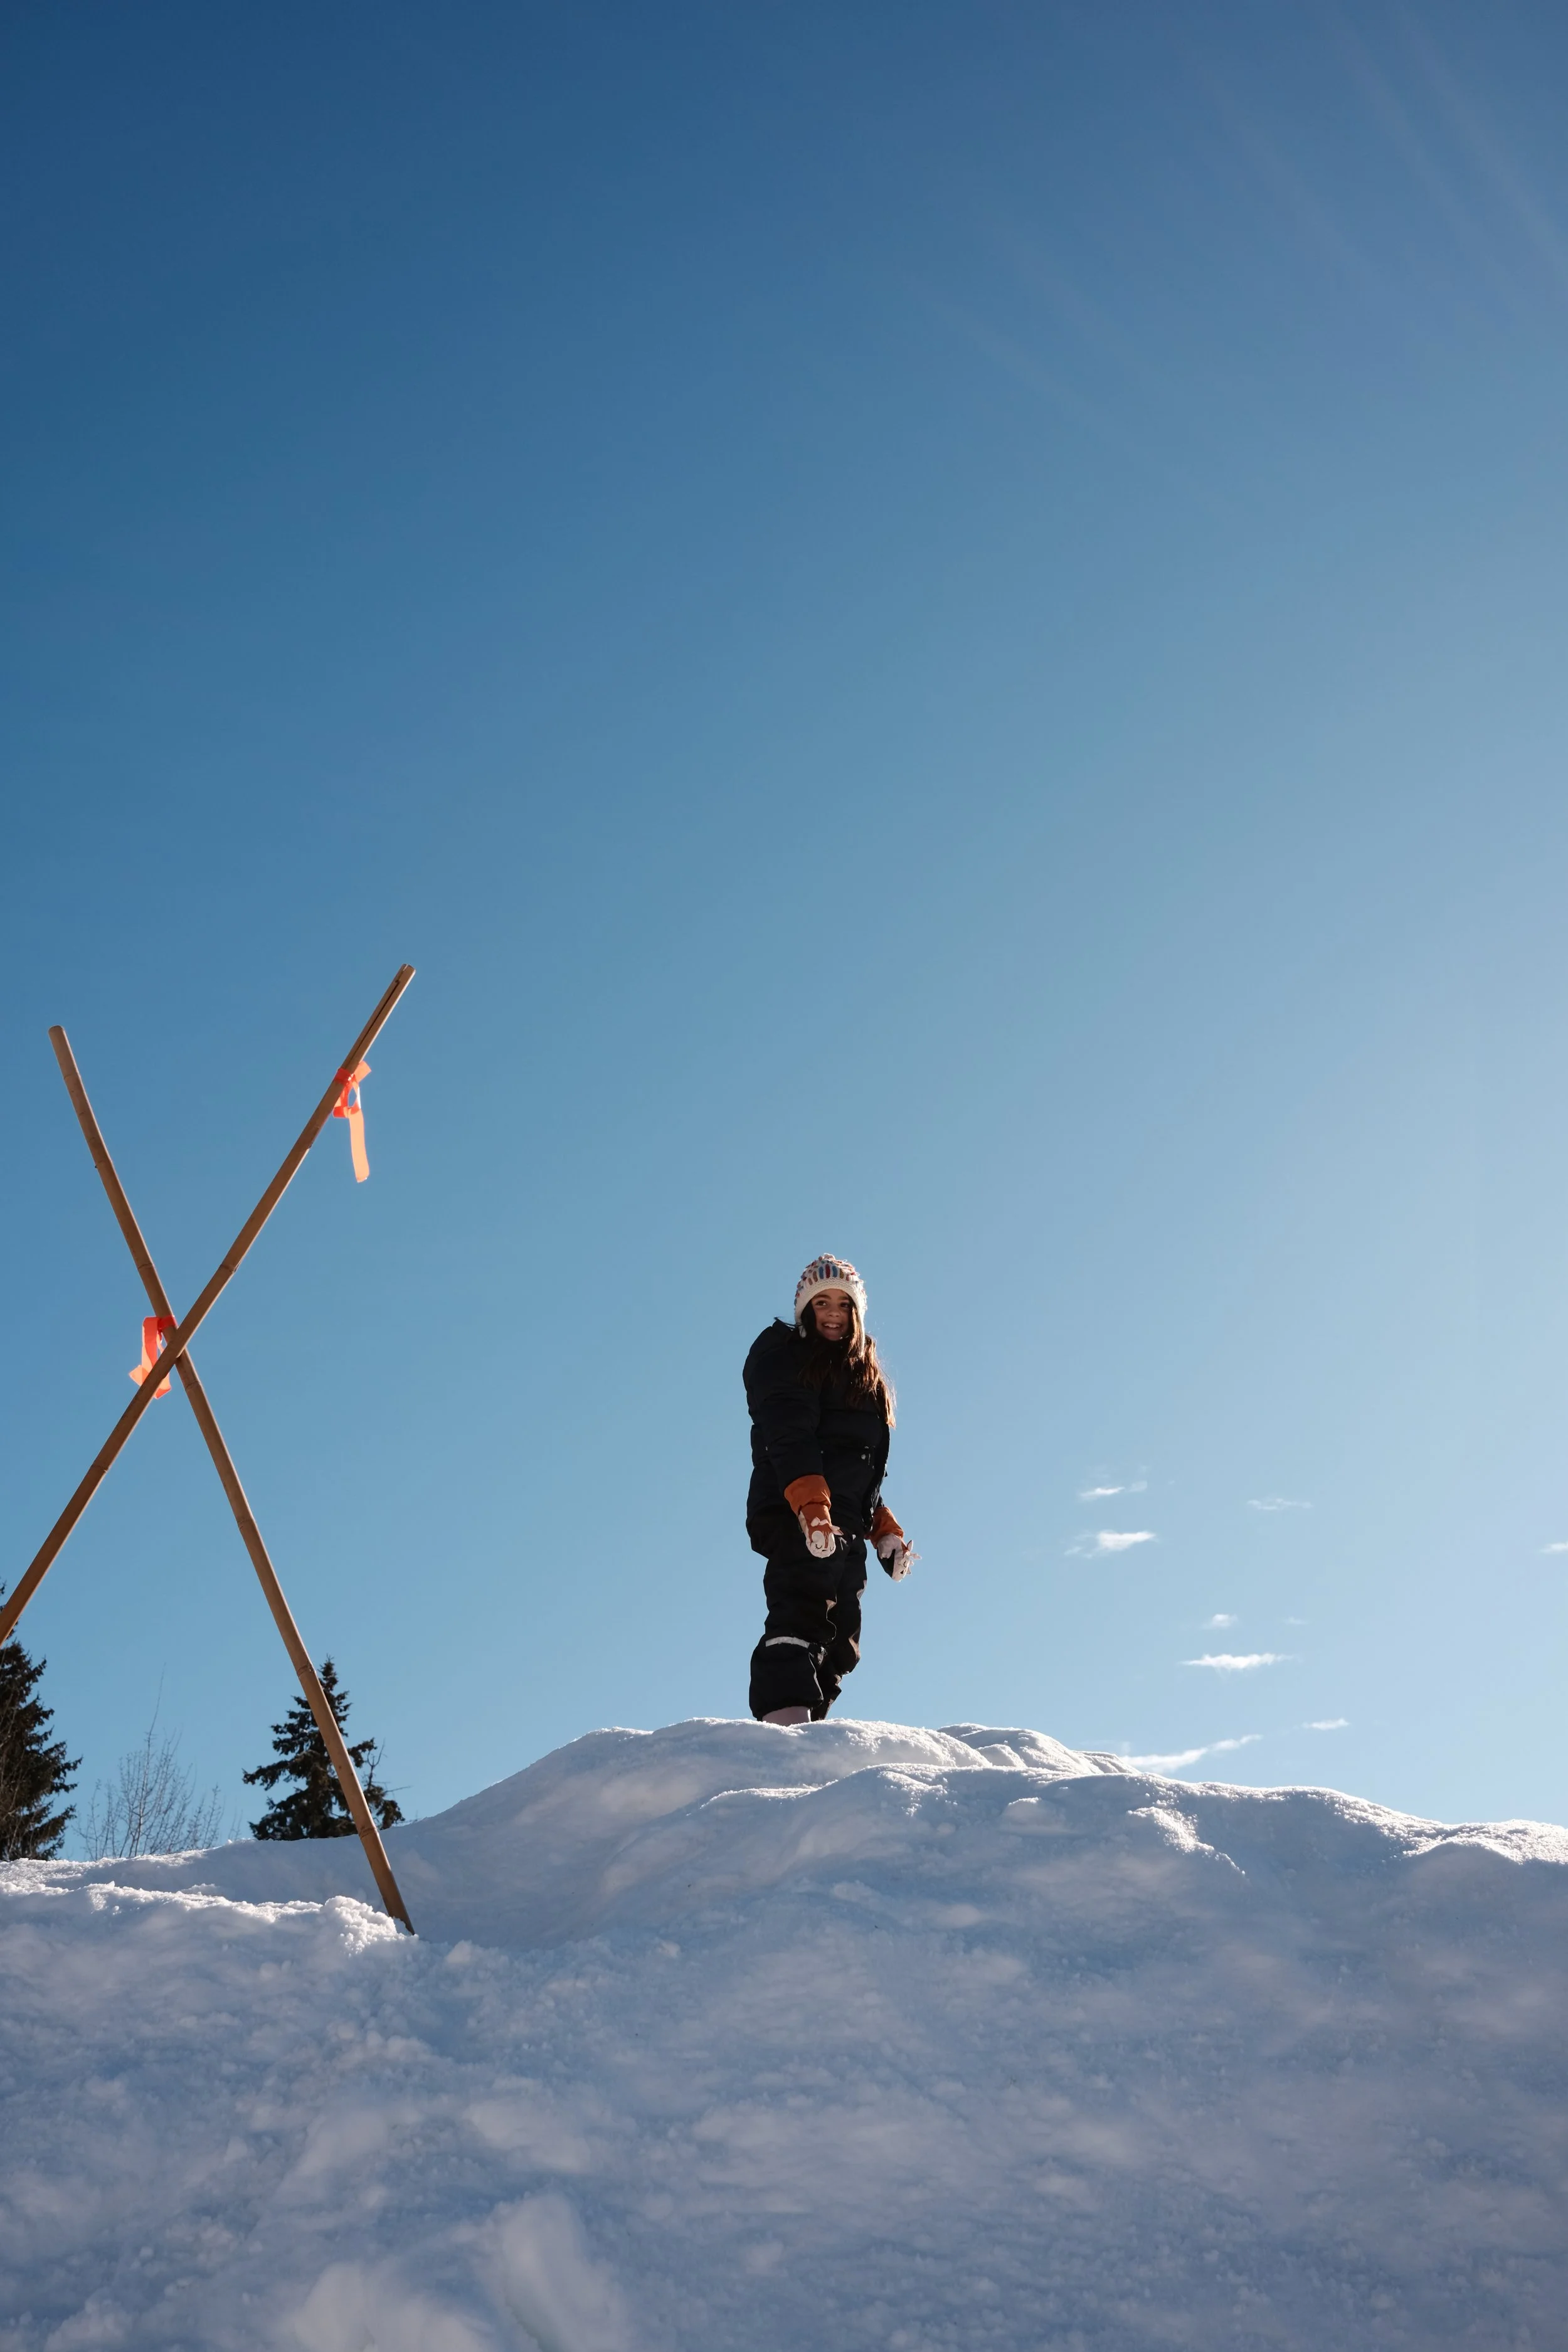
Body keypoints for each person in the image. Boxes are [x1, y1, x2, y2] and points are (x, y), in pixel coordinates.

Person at [744, 1254, 915, 1726]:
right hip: (796, 1510)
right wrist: (811, 1508)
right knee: (802, 1612)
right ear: (805, 1309)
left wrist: (882, 1529)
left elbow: (858, 1467)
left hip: (841, 1523)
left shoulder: (861, 1377)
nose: (833, 1311)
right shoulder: (787, 1358)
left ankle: (809, 1732)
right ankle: (783, 1730)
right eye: (822, 1301)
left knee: (841, 1640)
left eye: (843, 1301)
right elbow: (790, 1437)